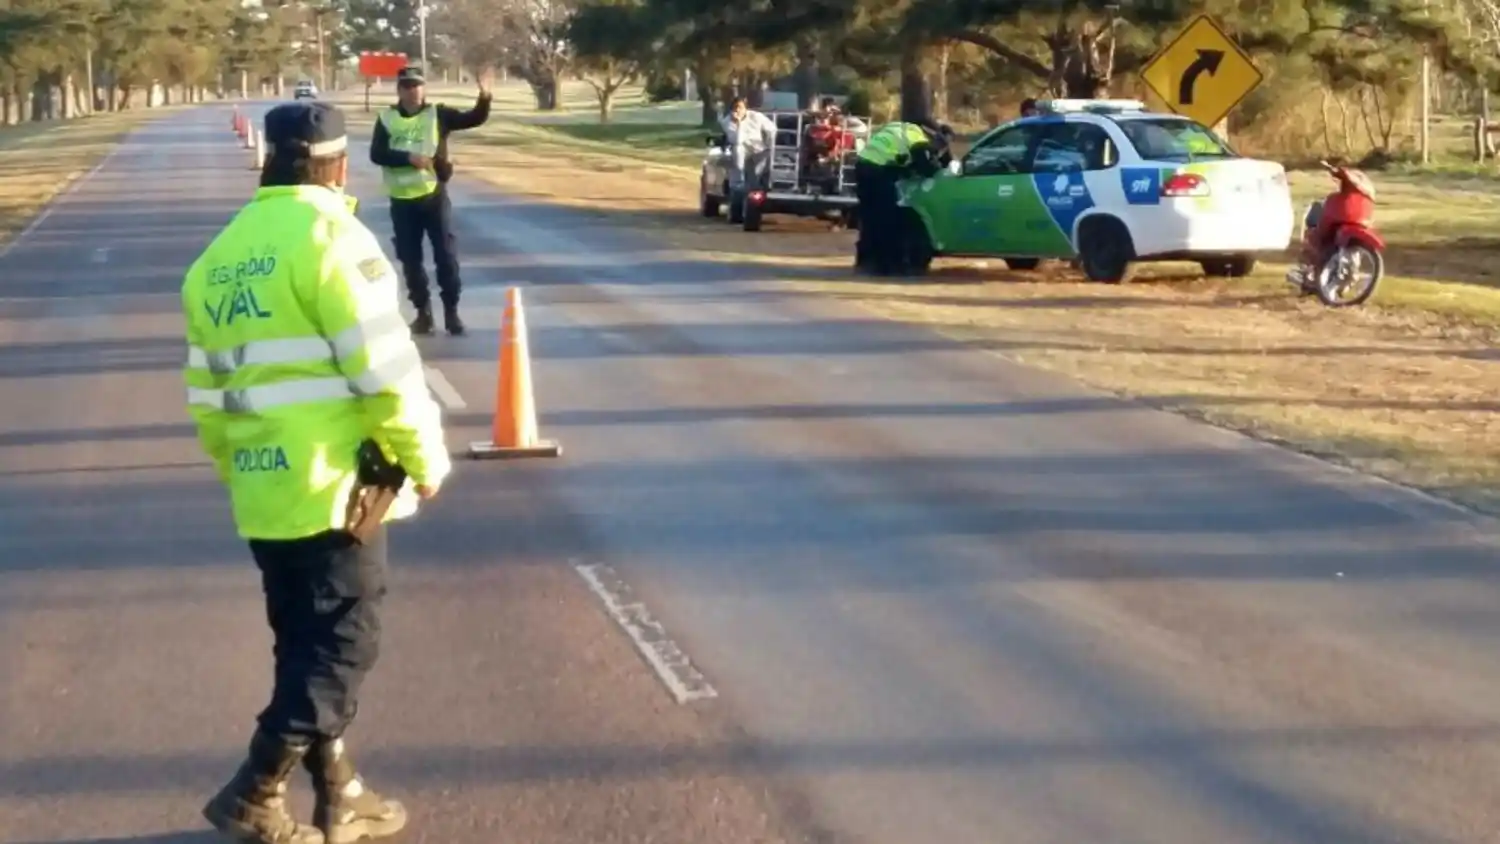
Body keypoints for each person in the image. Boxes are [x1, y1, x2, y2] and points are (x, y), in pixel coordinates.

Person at [186, 100, 452, 844]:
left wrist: (240, 464)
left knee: (302, 648)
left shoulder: (219, 257)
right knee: (343, 647)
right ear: (336, 166)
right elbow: (388, 370)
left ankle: (343, 795)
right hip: (337, 489)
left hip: (263, 489)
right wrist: (426, 460)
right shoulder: (334, 238)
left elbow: (207, 399)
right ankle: (255, 790)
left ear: (270, 159)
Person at [369, 64, 493, 337]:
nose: (414, 91)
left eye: (418, 85)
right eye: (408, 86)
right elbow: (377, 154)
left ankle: (452, 312)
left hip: (433, 197)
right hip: (402, 201)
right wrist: (407, 158)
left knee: (446, 256)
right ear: (399, 90)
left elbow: (473, 119)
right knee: (411, 260)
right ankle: (423, 313)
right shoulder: (387, 118)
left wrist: (484, 97)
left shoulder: (438, 114)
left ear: (424, 88)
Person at [853, 118, 954, 275]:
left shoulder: (901, 127)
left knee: (870, 218)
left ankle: (865, 261)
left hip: (862, 167)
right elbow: (927, 169)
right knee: (888, 219)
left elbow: (899, 158)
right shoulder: (917, 139)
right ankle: (888, 266)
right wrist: (939, 163)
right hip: (877, 172)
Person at [720, 96, 777, 207]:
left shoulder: (756, 116)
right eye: (735, 108)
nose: (737, 110)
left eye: (740, 107)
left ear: (746, 108)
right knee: (738, 148)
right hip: (741, 151)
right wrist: (739, 123)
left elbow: (772, 129)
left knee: (767, 159)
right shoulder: (727, 121)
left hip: (759, 149)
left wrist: (768, 142)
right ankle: (740, 181)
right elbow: (738, 140)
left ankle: (764, 186)